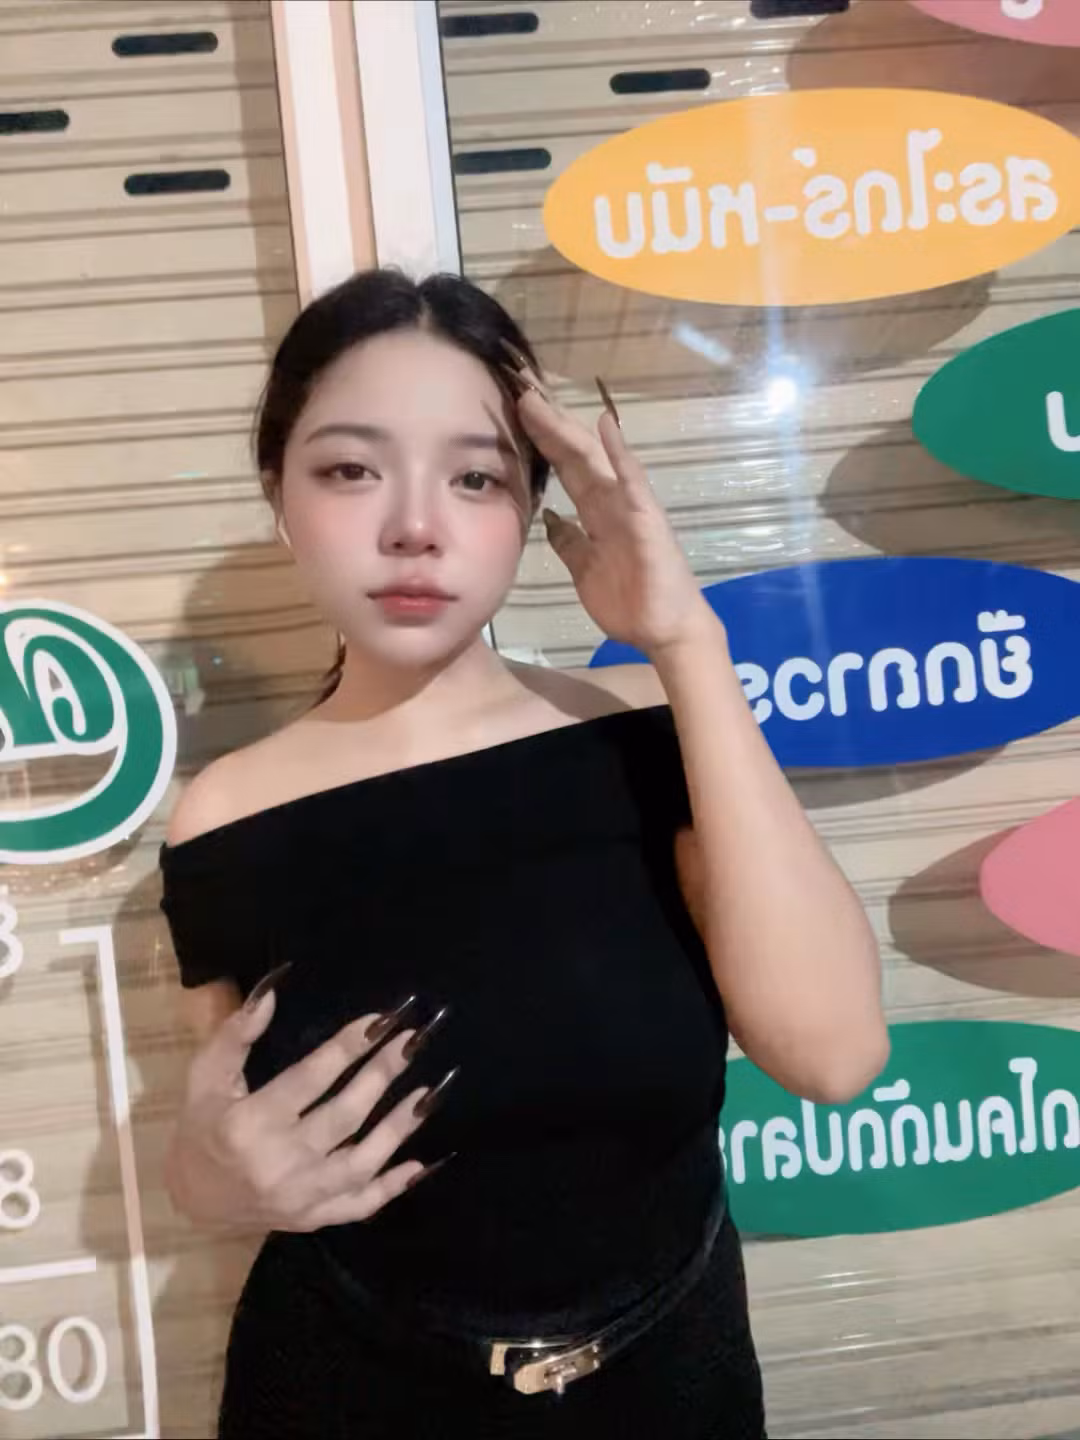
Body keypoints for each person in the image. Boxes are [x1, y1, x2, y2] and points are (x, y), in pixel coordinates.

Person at [159, 268, 888, 1440]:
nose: (415, 524)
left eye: (476, 477)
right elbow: (222, 1138)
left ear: (533, 505)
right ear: (279, 496)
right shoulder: (226, 815)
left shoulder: (645, 732)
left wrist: (686, 638)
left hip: (668, 1380)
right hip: (349, 1388)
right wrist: (206, 1182)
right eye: (350, 470)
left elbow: (836, 1054)